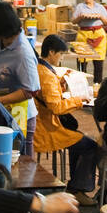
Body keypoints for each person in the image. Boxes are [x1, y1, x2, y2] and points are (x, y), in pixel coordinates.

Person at [34, 33, 99, 203]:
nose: (61, 58)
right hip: (47, 129)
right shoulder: (47, 75)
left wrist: (61, 83)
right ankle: (79, 188)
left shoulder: (41, 68)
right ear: (51, 52)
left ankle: (76, 185)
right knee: (90, 146)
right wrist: (79, 100)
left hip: (42, 123)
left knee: (79, 140)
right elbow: (56, 107)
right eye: (61, 54)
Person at [0, 1, 40, 156]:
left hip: (20, 114)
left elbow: (31, 91)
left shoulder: (23, 53)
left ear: (0, 26)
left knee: (20, 164)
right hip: (0, 109)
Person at [71, 0, 107, 85]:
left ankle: (97, 85)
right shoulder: (80, 7)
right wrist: (80, 17)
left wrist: (100, 16)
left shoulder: (100, 7)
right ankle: (81, 85)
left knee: (98, 63)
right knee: (82, 63)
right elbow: (73, 21)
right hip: (83, 35)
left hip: (99, 35)